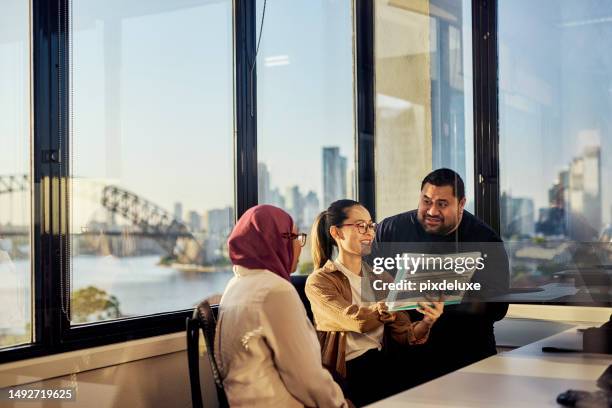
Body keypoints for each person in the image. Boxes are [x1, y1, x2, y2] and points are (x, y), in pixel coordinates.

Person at [373, 168, 509, 382]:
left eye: (442, 204)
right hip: (405, 359)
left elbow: (499, 308)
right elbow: (369, 283)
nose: (432, 211)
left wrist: (450, 296)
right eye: (426, 201)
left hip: (467, 358)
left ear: (461, 204)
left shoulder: (485, 240)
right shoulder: (389, 230)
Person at [305, 199, 444, 407]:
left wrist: (427, 321)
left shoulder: (380, 277)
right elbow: (355, 320)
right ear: (336, 233)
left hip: (383, 364)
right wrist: (389, 305)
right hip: (348, 372)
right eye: (361, 226)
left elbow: (405, 334)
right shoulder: (320, 281)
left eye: (371, 225)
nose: (369, 233)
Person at [214, 205, 349, 408]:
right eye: (296, 237)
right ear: (276, 241)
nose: (300, 245)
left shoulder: (236, 284)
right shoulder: (275, 291)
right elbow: (307, 378)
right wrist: (340, 404)